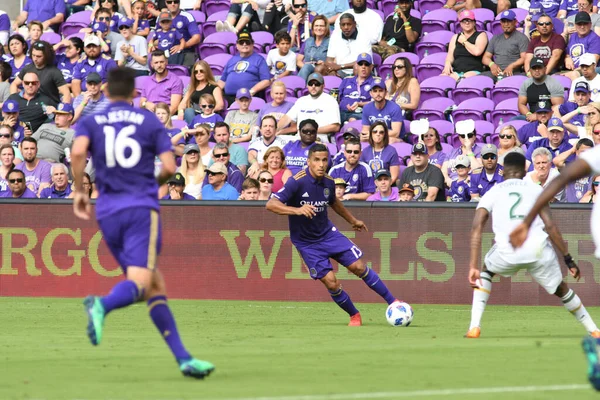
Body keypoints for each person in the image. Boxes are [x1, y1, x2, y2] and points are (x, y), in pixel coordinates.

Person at [71, 66, 214, 378]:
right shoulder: (148, 120)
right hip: (139, 210)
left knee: (153, 284)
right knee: (140, 282)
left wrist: (80, 189)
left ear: (106, 92)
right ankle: (102, 305)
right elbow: (167, 167)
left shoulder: (91, 120)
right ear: (136, 93)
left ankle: (184, 359)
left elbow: (78, 151)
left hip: (107, 212)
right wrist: (150, 182)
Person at [467, 152, 600, 341]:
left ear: (503, 170)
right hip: (538, 250)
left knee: (486, 272)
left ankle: (474, 327)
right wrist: (568, 259)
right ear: (525, 170)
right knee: (562, 290)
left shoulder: (493, 191)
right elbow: (551, 226)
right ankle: (594, 329)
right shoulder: (536, 190)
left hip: (508, 250)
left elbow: (476, 226)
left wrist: (473, 265)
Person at [267, 142, 401, 326]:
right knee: (331, 282)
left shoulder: (329, 182)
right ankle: (354, 315)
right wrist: (297, 210)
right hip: (307, 243)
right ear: (308, 162)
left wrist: (352, 221)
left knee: (359, 267)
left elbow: (334, 203)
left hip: (328, 235)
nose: (321, 164)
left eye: (324, 160)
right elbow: (271, 204)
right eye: (316, 160)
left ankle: (394, 302)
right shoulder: (297, 181)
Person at [277, 72, 340, 142]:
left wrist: (310, 131)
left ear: (323, 86)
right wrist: (275, 130)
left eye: (317, 84)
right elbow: (287, 118)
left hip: (319, 138)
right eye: (310, 84)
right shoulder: (301, 101)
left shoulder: (330, 101)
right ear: (307, 86)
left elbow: (335, 127)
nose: (313, 86)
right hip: (299, 138)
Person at [217, 30, 271, 106]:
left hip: (247, 99)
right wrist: (215, 93)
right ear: (237, 45)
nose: (244, 44)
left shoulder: (259, 60)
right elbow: (222, 81)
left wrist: (252, 91)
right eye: (241, 42)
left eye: (247, 42)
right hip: (228, 98)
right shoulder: (232, 60)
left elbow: (266, 81)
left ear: (252, 44)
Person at [11, 41, 71, 106]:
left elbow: (66, 93)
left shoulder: (54, 72)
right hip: (31, 106)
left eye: (39, 56)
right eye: (33, 55)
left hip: (49, 107)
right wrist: (15, 101)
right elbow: (14, 84)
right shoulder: (27, 68)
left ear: (46, 56)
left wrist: (62, 112)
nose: (35, 59)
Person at [481, 10, 529, 82]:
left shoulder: (522, 38)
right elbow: (485, 58)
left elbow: (524, 58)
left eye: (509, 21)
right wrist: (491, 64)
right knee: (476, 80)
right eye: (503, 21)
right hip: (496, 73)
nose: (506, 24)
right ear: (500, 23)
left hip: (513, 73)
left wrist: (511, 66)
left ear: (515, 22)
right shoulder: (495, 38)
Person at [442, 10, 488, 81]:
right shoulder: (455, 37)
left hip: (474, 71)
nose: (466, 23)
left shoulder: (481, 35)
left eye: (469, 20)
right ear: (460, 23)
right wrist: (447, 63)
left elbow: (477, 52)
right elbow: (450, 55)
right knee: (442, 79)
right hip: (457, 71)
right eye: (464, 21)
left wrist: (464, 41)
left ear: (474, 22)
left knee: (463, 80)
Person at [324, 13, 371, 78]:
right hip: (340, 71)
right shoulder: (335, 35)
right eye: (343, 25)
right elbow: (329, 59)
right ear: (340, 26)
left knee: (357, 68)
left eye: (349, 24)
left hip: (358, 70)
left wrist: (340, 66)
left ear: (355, 24)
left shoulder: (364, 36)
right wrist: (331, 69)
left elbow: (364, 61)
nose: (346, 27)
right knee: (320, 69)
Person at [179, 60, 224, 125]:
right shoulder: (192, 88)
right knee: (188, 111)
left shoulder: (214, 87)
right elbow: (182, 103)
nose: (199, 73)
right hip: (195, 115)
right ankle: (197, 129)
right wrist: (181, 111)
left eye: (201, 71)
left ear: (207, 72)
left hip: (209, 114)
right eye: (196, 72)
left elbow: (220, 105)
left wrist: (209, 111)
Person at [139, 51, 183, 115]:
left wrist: (160, 118)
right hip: (148, 115)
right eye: (156, 63)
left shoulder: (175, 80)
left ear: (166, 62)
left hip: (165, 117)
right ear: (152, 64)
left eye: (161, 62)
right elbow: (141, 103)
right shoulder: (147, 81)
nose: (159, 65)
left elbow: (174, 108)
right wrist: (145, 104)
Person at [361, 78, 404, 143]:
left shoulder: (395, 108)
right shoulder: (366, 108)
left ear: (386, 92)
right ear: (371, 93)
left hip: (392, 139)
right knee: (362, 139)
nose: (378, 94)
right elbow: (365, 131)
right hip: (375, 138)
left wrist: (374, 134)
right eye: (375, 91)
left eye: (380, 91)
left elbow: (396, 133)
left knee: (391, 140)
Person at [442, 119, 482, 187]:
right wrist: (448, 181)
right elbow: (443, 171)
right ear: (459, 138)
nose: (466, 138)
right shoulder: (452, 152)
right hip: (451, 184)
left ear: (475, 136)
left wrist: (469, 150)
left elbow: (478, 170)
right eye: (463, 136)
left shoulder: (480, 151)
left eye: (469, 135)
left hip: (470, 184)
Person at [337, 53, 375, 124]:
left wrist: (360, 104)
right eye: (361, 64)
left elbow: (377, 102)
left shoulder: (375, 82)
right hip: (342, 112)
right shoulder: (346, 80)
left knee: (352, 120)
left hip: (361, 113)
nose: (363, 67)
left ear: (371, 67)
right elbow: (338, 98)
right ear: (356, 66)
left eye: (366, 64)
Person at [164, 0, 201, 67]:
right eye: (169, 2)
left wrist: (182, 46)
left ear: (179, 2)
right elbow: (155, 39)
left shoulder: (187, 16)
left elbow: (197, 38)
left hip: (185, 51)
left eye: (175, 1)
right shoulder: (162, 17)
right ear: (165, 3)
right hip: (166, 52)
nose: (173, 4)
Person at [295, 15, 330, 81]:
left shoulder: (331, 42)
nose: (319, 28)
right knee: (307, 67)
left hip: (323, 71)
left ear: (326, 28)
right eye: (316, 26)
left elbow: (334, 61)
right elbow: (298, 61)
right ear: (313, 28)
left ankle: (298, 87)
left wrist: (324, 64)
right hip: (307, 72)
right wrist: (308, 69)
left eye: (321, 26)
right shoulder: (308, 41)